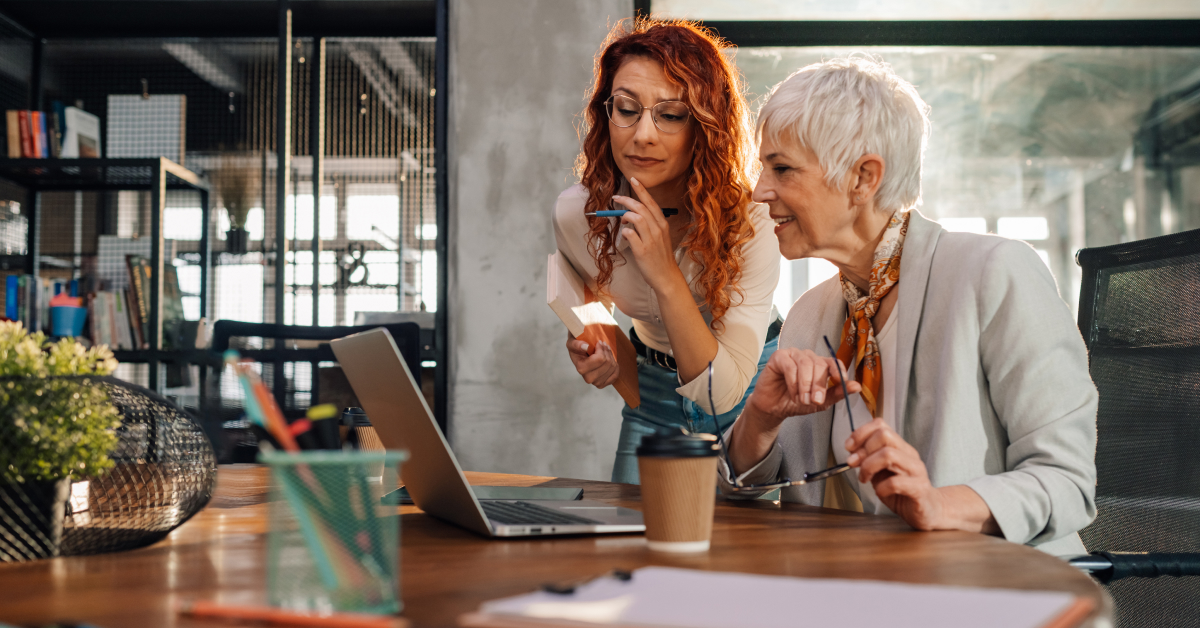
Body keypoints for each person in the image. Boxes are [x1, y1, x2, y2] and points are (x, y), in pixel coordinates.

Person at [720, 56, 1098, 557]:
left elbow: (1067, 483)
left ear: (863, 177)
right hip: (857, 588)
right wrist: (760, 419)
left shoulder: (995, 273)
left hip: (991, 591)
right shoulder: (810, 314)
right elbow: (742, 490)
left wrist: (939, 506)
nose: (760, 190)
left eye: (782, 168)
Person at [553, 19, 781, 484]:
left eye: (671, 115)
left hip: (752, 393)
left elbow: (722, 393)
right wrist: (599, 348)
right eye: (626, 109)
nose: (642, 136)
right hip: (653, 395)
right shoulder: (578, 213)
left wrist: (663, 272)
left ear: (705, 126)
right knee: (633, 544)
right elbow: (587, 296)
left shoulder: (752, 220)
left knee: (749, 553)